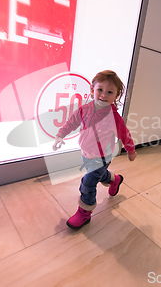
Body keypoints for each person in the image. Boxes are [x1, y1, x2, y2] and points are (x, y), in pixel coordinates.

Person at [52, 70, 137, 229]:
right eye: (100, 90)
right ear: (92, 90)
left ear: (116, 96)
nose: (104, 95)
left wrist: (130, 150)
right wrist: (60, 135)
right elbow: (71, 122)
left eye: (110, 92)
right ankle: (114, 179)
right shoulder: (85, 109)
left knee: (88, 182)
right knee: (99, 175)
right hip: (86, 154)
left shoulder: (114, 117)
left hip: (102, 156)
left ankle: (85, 212)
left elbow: (125, 134)